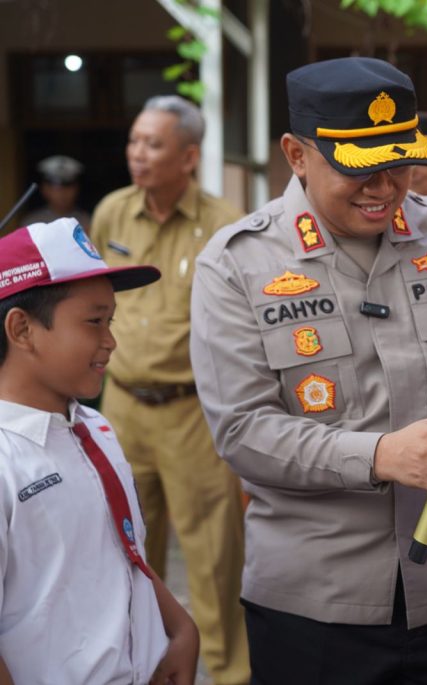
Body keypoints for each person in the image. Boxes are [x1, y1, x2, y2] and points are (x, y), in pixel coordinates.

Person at [189, 56, 427, 684]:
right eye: (358, 169)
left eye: (397, 164)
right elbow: (241, 431)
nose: (382, 187)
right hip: (315, 606)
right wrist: (377, 456)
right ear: (297, 154)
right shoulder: (236, 264)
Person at [90, 95, 249, 685]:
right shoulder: (110, 213)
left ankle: (232, 675)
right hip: (122, 408)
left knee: (213, 565)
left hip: (192, 414)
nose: (137, 155)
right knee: (124, 557)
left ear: (188, 157)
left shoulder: (223, 222)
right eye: (134, 141)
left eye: (152, 144)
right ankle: (138, 671)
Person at [0, 218, 199, 684]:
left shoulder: (95, 427)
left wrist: (179, 627)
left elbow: (120, 550)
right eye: (94, 322)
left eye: (111, 321)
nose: (110, 341)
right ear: (22, 329)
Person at [22, 154, 91, 231]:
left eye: (67, 187)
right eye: (57, 189)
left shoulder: (87, 222)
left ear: (76, 188)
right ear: (45, 189)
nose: (62, 193)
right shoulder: (32, 223)